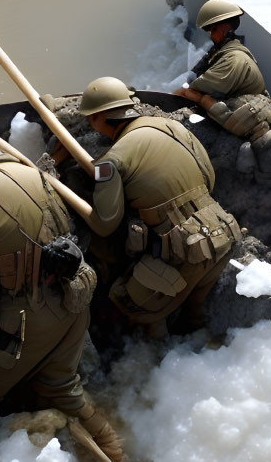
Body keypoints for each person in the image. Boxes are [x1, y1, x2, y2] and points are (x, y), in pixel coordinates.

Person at [0, 128, 123, 462]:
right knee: (62, 385)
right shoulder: (35, 174)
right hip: (74, 300)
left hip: (24, 320)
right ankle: (113, 448)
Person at [80, 76, 243, 336]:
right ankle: (193, 327)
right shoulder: (173, 127)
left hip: (186, 251)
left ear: (97, 118)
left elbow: (104, 224)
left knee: (124, 299)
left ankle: (154, 338)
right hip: (222, 235)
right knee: (192, 309)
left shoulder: (110, 162)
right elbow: (209, 179)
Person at [173, 0, 271, 185]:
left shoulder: (233, 60)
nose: (211, 35)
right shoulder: (226, 51)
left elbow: (196, 88)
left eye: (212, 30)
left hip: (250, 124)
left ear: (221, 29)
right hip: (239, 115)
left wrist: (189, 95)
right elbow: (202, 68)